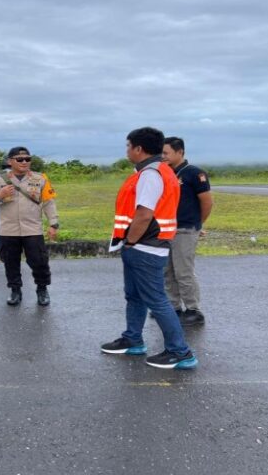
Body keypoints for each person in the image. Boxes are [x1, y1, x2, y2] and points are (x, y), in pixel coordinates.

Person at [101, 127, 198, 370]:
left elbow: (144, 214)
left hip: (145, 246)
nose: (126, 151)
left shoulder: (151, 174)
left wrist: (131, 241)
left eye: (128, 146)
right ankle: (133, 339)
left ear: (138, 149)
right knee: (134, 295)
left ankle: (180, 352)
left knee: (156, 300)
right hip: (144, 245)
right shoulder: (157, 171)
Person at [0, 146, 58, 306]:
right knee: (10, 262)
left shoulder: (40, 178)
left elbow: (49, 203)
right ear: (10, 161)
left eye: (27, 159)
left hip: (33, 229)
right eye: (20, 159)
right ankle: (15, 290)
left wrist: (53, 223)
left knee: (39, 261)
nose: (24, 162)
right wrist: (0, 195)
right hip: (8, 230)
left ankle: (42, 289)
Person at [160, 137, 213, 326]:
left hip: (185, 228)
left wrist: (197, 224)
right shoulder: (164, 173)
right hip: (165, 229)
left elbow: (206, 201)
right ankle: (173, 307)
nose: (163, 156)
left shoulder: (194, 173)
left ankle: (193, 309)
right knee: (168, 270)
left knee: (184, 271)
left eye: (166, 153)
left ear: (180, 152)